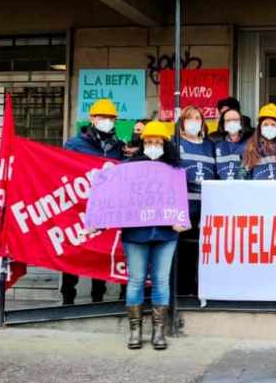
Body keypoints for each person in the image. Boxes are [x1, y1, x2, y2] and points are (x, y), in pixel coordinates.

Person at [122, 120, 188, 350]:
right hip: (136, 233)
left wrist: (182, 219)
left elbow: (181, 199)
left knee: (161, 280)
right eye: (148, 142)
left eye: (157, 142)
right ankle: (135, 331)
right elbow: (119, 199)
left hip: (166, 233)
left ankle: (158, 331)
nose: (152, 146)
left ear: (165, 144)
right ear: (142, 144)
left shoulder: (175, 171)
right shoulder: (129, 168)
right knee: (136, 280)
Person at [62, 98, 125, 305]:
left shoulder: (118, 146)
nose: (107, 121)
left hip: (106, 208)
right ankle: (68, 298)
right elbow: (62, 171)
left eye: (110, 118)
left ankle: (98, 298)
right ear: (92, 119)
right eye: (102, 117)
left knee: (101, 252)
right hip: (79, 207)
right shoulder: (75, 144)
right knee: (74, 252)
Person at [176, 105, 217, 297]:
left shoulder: (210, 146)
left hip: (206, 210)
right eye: (189, 118)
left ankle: (199, 291)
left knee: (203, 252)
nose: (194, 122)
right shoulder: (175, 143)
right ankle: (183, 294)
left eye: (197, 118)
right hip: (183, 209)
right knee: (184, 252)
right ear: (182, 123)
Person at [240, 104, 276, 180]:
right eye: (265, 124)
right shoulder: (251, 147)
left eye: (273, 125)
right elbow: (242, 174)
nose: (269, 127)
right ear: (260, 127)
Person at [214, 106, 249, 180]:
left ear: (241, 123)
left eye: (235, 120)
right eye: (228, 120)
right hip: (220, 186)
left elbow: (248, 170)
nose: (232, 123)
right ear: (223, 124)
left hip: (243, 186)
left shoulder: (249, 145)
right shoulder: (217, 146)